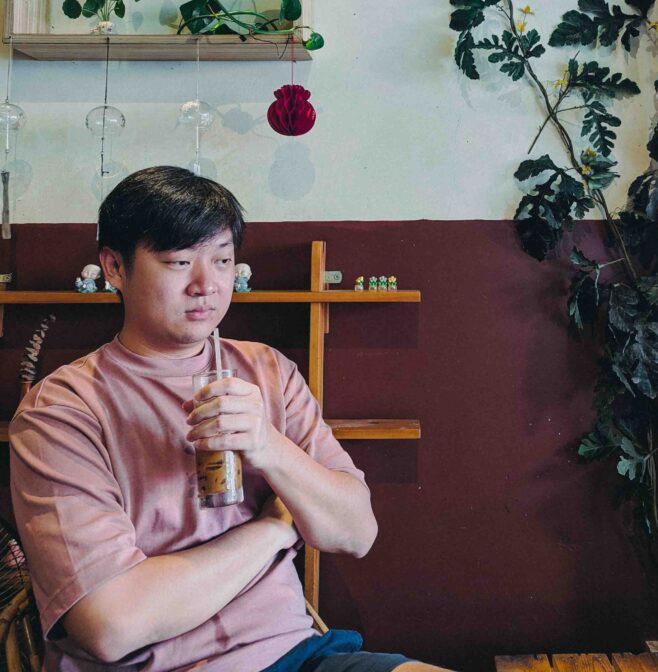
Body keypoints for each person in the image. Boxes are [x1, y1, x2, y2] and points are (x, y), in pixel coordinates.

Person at [9, 166, 454, 672]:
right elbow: (113, 625)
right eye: (179, 262)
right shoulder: (62, 410)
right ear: (113, 267)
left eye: (222, 260)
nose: (207, 285)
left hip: (292, 655)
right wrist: (275, 529)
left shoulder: (268, 371)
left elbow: (355, 532)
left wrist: (268, 445)